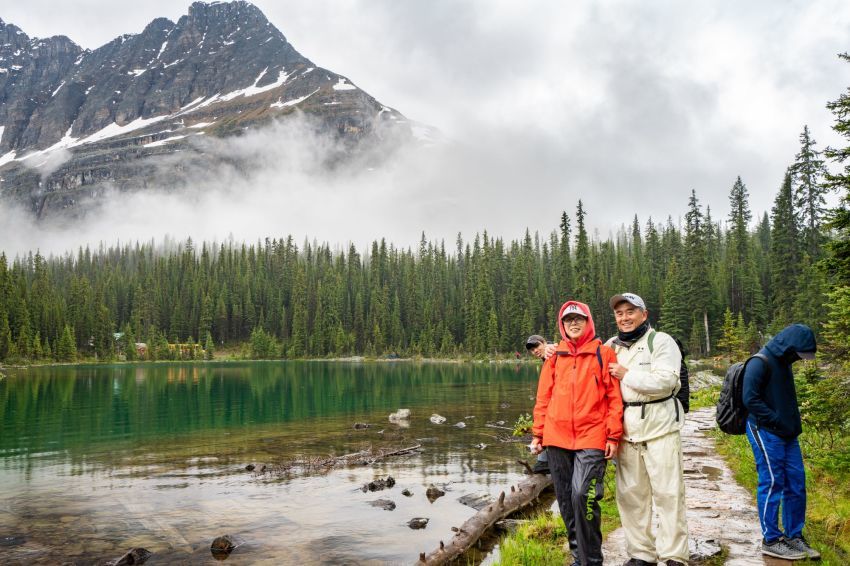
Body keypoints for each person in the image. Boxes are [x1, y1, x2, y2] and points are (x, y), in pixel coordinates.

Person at [531, 301, 623, 566]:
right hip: (556, 438)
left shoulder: (603, 354)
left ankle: (592, 560)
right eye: (568, 319)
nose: (574, 323)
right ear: (562, 324)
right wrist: (538, 434)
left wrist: (613, 436)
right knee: (566, 502)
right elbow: (543, 397)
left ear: (588, 321)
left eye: (579, 319)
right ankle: (577, 557)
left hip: (592, 437)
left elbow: (614, 399)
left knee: (583, 494)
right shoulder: (553, 356)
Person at [606, 293, 688, 566]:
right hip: (626, 432)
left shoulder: (661, 341)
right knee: (631, 497)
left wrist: (626, 374)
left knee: (668, 494)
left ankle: (674, 555)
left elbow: (665, 382)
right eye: (620, 313)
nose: (625, 318)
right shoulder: (610, 346)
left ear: (644, 314)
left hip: (661, 428)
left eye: (630, 311)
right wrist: (549, 351)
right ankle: (641, 554)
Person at [742, 323, 819, 560]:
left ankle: (794, 536)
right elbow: (750, 399)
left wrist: (790, 425)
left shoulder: (784, 362)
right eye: (798, 353)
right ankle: (771, 539)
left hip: (788, 434)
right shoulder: (760, 362)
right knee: (773, 481)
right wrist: (775, 420)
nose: (799, 359)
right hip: (765, 431)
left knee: (796, 482)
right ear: (789, 346)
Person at [525, 334, 551, 474]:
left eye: (537, 346)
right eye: (531, 349)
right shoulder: (546, 359)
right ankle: (543, 461)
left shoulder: (554, 353)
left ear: (544, 342)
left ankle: (543, 463)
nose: (535, 350)